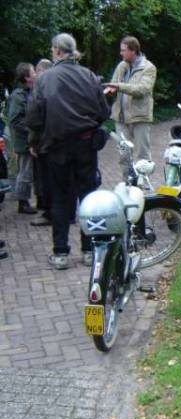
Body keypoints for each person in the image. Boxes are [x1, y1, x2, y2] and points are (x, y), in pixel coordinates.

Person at [26, 33, 110, 270]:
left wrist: (34, 142)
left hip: (57, 147)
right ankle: (88, 250)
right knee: (88, 197)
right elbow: (103, 112)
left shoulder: (45, 79)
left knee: (61, 198)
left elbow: (34, 115)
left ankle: (61, 253)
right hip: (85, 145)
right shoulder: (89, 76)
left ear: (57, 51)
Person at [103, 36, 156, 179]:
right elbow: (114, 83)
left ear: (133, 51)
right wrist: (109, 90)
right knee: (124, 155)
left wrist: (119, 87)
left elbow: (142, 90)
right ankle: (127, 184)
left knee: (142, 157)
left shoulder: (148, 68)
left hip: (140, 117)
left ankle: (142, 187)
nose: (121, 53)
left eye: (123, 50)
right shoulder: (121, 66)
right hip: (120, 118)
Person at [8, 62, 37, 214]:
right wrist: (31, 129)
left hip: (29, 140)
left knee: (28, 171)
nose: (35, 74)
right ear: (26, 77)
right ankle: (22, 202)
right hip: (24, 142)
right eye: (33, 72)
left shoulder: (29, 92)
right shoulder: (18, 96)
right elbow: (14, 120)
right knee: (25, 172)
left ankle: (24, 200)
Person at [30, 58, 54, 226]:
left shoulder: (40, 88)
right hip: (59, 139)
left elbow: (34, 117)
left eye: (36, 71)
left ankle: (49, 213)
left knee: (47, 179)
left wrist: (33, 142)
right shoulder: (58, 86)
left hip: (45, 141)